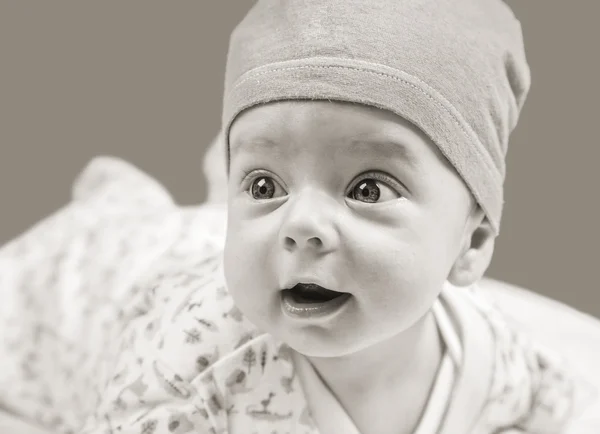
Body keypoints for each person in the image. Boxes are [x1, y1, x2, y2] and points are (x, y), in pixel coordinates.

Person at [1, 0, 598, 433]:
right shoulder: (186, 375)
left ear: (471, 244)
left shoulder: (493, 359)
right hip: (93, 278)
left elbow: (558, 405)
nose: (301, 221)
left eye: (368, 188)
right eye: (264, 183)